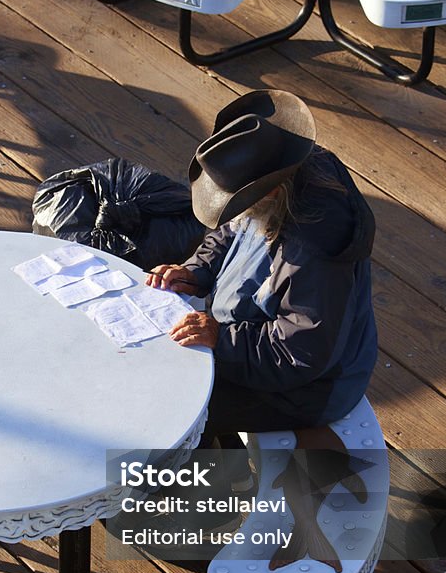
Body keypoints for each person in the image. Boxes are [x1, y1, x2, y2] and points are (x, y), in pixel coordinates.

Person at [147, 89, 378, 456]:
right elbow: (231, 228)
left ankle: (202, 501)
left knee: (176, 406)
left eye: (238, 201)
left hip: (305, 389)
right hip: (249, 340)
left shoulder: (314, 252)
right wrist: (196, 271)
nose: (233, 210)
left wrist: (221, 338)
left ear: (267, 195)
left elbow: (299, 355)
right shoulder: (281, 169)